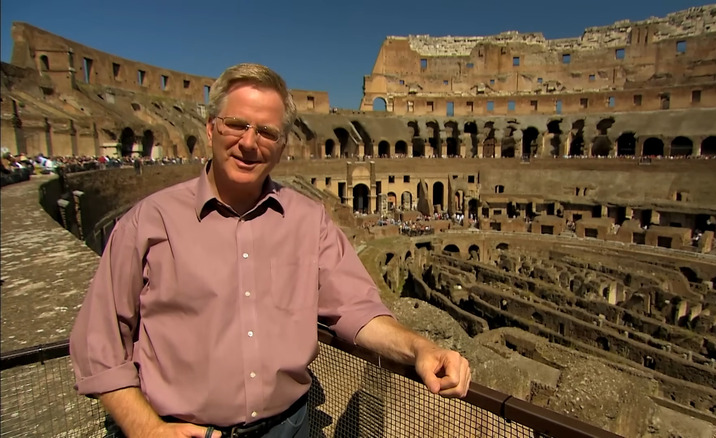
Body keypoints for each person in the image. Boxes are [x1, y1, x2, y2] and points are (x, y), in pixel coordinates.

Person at [69, 63, 470, 438]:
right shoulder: (148, 222)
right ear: (210, 129)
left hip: (288, 427)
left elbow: (356, 311)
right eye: (236, 125)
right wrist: (146, 429)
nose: (249, 143)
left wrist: (421, 348)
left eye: (267, 132)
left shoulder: (309, 221)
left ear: (281, 146)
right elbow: (100, 341)